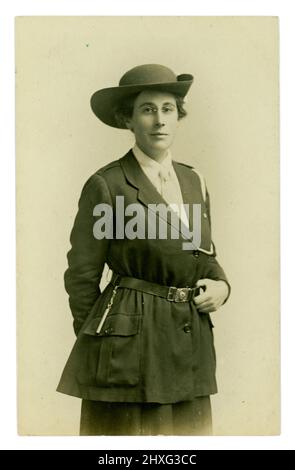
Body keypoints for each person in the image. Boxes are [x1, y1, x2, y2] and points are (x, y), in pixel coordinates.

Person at [57, 64, 231, 436]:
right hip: (131, 354)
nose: (159, 120)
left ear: (179, 116)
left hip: (189, 344)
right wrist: (105, 344)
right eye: (147, 109)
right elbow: (82, 276)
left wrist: (222, 286)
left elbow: (203, 255)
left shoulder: (193, 180)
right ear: (128, 120)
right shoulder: (108, 185)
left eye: (168, 109)